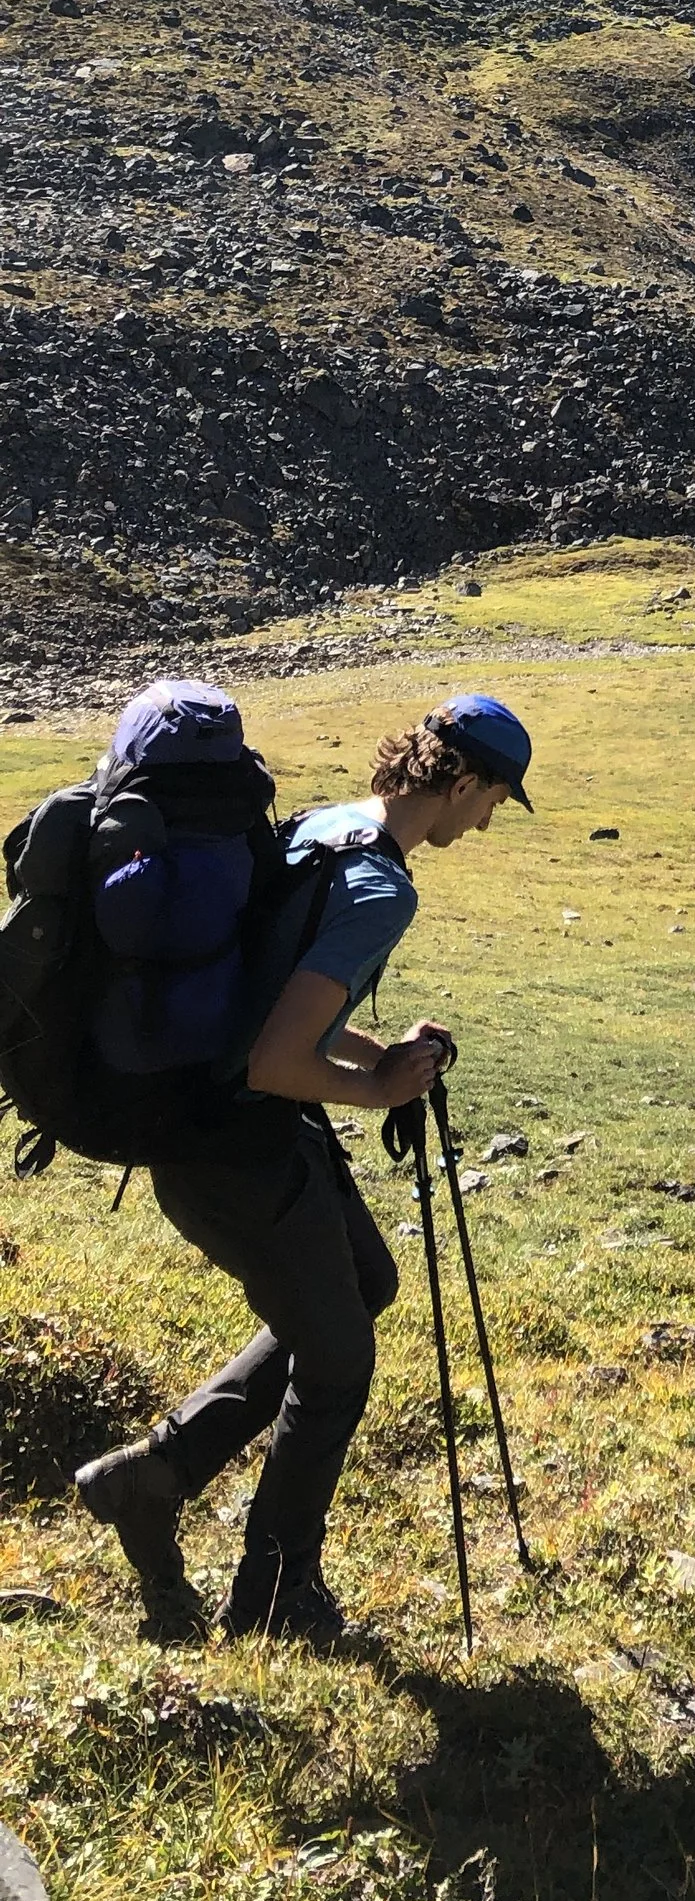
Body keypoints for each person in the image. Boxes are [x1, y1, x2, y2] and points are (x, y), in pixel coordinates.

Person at [74, 689, 533, 1647]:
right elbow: (277, 1059)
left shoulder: (328, 825)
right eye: (496, 797)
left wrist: (376, 1059)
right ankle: (277, 1589)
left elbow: (274, 1007)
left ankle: (146, 1480)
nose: (491, 819)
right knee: (337, 1359)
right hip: (234, 1144)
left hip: (205, 1118)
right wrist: (384, 1092)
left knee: (365, 1282)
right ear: (463, 779)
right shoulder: (382, 889)